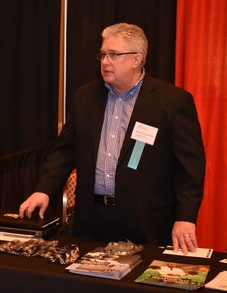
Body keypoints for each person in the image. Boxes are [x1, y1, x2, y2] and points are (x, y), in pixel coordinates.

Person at [20, 23, 205, 254]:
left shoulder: (172, 102)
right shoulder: (85, 96)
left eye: (114, 55)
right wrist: (44, 190)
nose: (105, 61)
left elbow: (190, 168)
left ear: (136, 59)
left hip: (146, 220)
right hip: (91, 218)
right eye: (103, 54)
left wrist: (185, 217)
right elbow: (64, 152)